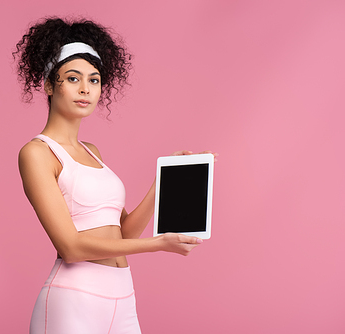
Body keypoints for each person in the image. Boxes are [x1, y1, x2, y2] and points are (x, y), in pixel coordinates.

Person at [15, 17, 215, 334]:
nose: (85, 89)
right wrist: (158, 243)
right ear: (50, 85)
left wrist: (161, 183)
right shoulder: (37, 154)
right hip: (74, 301)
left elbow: (122, 236)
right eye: (73, 78)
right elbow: (71, 247)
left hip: (122, 297)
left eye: (94, 80)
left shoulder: (92, 151)